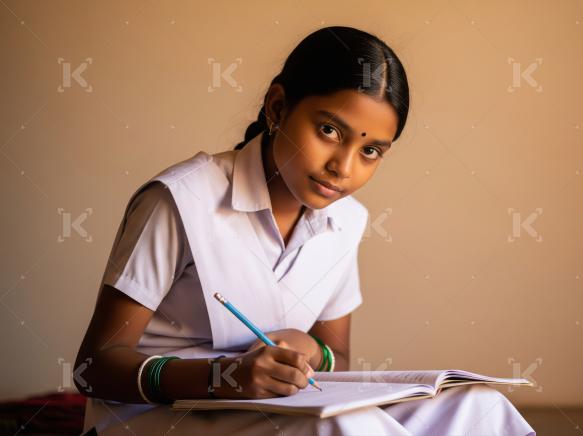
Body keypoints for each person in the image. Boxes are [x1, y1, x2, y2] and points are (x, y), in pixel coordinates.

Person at [75, 25, 535, 435]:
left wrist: (307, 349)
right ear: (278, 107)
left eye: (372, 151)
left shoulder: (347, 219)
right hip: (157, 415)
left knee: (479, 407)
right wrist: (224, 377)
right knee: (349, 426)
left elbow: (337, 359)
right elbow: (93, 368)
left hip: (274, 406)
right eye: (330, 130)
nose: (343, 168)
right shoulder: (179, 199)